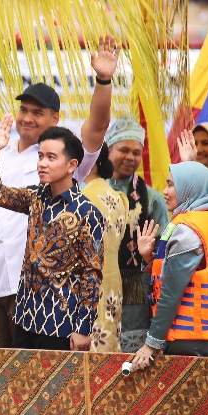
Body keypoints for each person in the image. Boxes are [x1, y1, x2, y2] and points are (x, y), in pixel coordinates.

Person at [0, 35, 119, 348]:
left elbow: (91, 274)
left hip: (52, 311)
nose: (28, 118)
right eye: (24, 110)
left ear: (72, 164)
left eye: (38, 112)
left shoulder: (75, 177)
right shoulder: (26, 185)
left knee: (42, 376)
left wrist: (103, 80)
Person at [0, 123, 103, 351]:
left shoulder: (88, 213)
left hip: (61, 325)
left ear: (72, 165)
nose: (42, 163)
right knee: (18, 376)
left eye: (51, 157)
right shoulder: (35, 197)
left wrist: (83, 328)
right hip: (24, 318)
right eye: (40, 156)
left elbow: (92, 274)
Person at [131, 162, 208, 371]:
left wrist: (151, 343)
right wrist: (148, 258)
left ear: (189, 189)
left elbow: (171, 293)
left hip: (192, 338)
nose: (165, 191)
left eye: (171, 185)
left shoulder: (187, 231)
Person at [105, 114, 169, 352]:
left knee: (131, 359)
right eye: (124, 150)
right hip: (98, 286)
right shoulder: (91, 192)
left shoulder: (152, 199)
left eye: (136, 152)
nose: (130, 157)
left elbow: (164, 251)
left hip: (136, 292)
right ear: (109, 150)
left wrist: (149, 256)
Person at [81, 144, 129, 352]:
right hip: (111, 279)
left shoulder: (83, 198)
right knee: (106, 342)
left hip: (87, 281)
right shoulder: (118, 197)